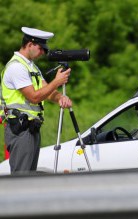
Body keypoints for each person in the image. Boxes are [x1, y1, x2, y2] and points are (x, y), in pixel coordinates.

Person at [0, 27, 72, 174]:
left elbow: (48, 92)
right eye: (41, 48)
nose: (43, 53)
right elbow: (34, 97)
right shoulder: (17, 67)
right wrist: (57, 81)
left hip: (31, 128)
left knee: (30, 178)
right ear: (30, 44)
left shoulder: (31, 67)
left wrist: (60, 98)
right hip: (20, 129)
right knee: (21, 177)